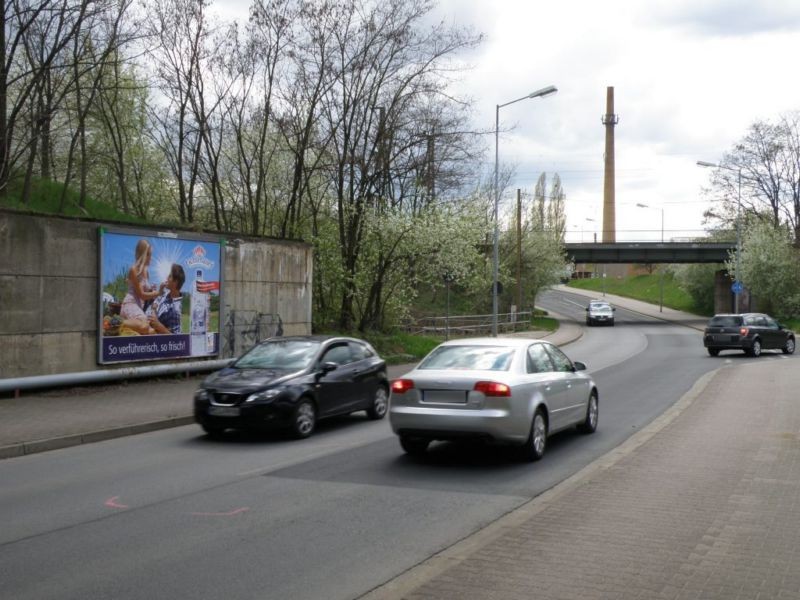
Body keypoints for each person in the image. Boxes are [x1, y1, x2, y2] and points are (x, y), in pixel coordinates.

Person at [120, 239, 163, 334]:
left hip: (139, 307)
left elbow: (147, 295)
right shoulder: (133, 270)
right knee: (145, 326)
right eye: (148, 254)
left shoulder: (146, 272)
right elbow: (142, 295)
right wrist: (158, 292)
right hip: (130, 304)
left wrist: (153, 291)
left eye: (150, 254)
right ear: (142, 254)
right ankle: (117, 322)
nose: (150, 258)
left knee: (152, 332)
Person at [148, 264, 186, 334]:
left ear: (175, 282)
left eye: (169, 276)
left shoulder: (176, 309)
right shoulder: (165, 293)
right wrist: (154, 309)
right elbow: (155, 303)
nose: (167, 278)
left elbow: (177, 338)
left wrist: (159, 326)